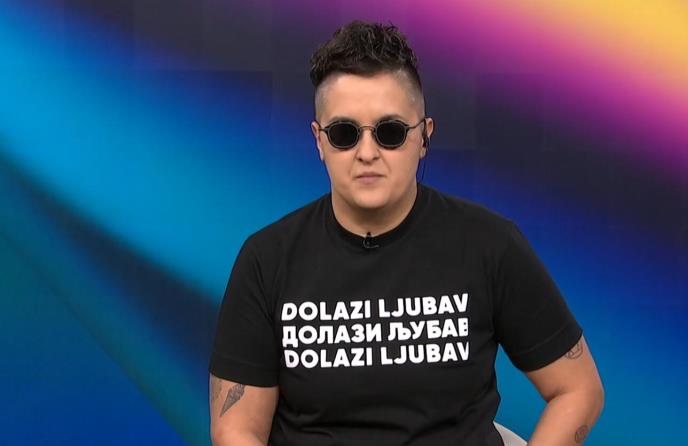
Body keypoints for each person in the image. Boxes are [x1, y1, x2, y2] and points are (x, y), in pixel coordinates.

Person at [208, 20, 604, 446]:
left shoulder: (490, 246)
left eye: (390, 132)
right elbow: (236, 429)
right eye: (344, 134)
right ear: (319, 141)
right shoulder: (267, 260)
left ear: (424, 137)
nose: (367, 153)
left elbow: (578, 389)